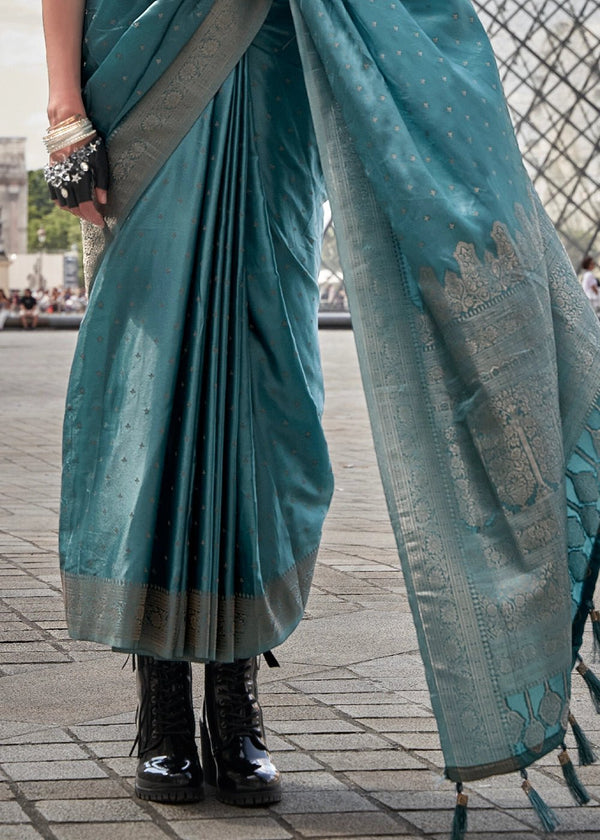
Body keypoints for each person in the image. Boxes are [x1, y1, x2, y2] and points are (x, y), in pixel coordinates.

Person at [42, 0, 600, 830]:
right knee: (146, 378)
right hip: (142, 62)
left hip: (273, 64)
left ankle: (234, 691)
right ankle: (160, 693)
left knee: (268, 388)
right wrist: (64, 111)